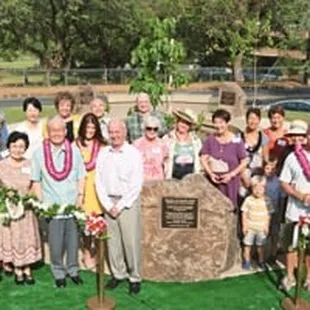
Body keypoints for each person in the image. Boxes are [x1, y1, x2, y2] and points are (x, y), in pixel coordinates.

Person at [32, 116, 86, 288]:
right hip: (52, 207)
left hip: (72, 205)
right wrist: (41, 204)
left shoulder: (74, 151)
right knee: (55, 244)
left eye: (60, 130)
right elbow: (36, 180)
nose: (56, 133)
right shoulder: (39, 153)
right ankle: (58, 271)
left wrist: (80, 197)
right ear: (48, 132)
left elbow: (81, 176)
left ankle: (73, 270)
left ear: (65, 132)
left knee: (73, 241)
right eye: (53, 130)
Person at [95, 119, 143, 295]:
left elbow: (136, 184)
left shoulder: (133, 153)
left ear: (124, 132)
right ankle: (118, 274)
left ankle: (135, 277)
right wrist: (108, 205)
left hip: (127, 202)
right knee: (112, 242)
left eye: (117, 132)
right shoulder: (103, 153)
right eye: (111, 132)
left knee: (130, 242)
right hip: (109, 202)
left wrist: (120, 205)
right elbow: (98, 180)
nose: (114, 135)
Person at [0, 131, 42, 284]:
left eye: (21, 146)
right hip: (9, 210)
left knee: (26, 237)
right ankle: (17, 268)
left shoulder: (30, 164)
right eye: (14, 146)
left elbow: (35, 184)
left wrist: (30, 197)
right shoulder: (2, 165)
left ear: (26, 148)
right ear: (9, 146)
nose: (18, 149)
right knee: (14, 238)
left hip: (26, 208)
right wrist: (5, 195)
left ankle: (27, 268)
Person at [279, 125, 310, 292]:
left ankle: (309, 278)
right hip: (295, 211)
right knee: (291, 245)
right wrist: (301, 196)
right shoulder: (293, 157)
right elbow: (283, 182)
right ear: (307, 136)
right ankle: (290, 276)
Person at [76, 113, 106, 269]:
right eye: (88, 127)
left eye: (93, 127)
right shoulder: (76, 144)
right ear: (83, 127)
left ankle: (99, 253)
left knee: (99, 223)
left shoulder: (101, 145)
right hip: (82, 188)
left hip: (97, 189)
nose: (90, 130)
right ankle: (87, 252)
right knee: (85, 225)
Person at [200, 109, 247, 209]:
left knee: (230, 209)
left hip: (231, 182)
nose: (218, 126)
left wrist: (231, 174)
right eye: (216, 123)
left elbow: (244, 161)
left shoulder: (237, 140)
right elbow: (203, 158)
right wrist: (210, 173)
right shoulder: (210, 139)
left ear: (227, 123)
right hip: (214, 182)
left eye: (221, 122)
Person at [241, 175, 273, 270]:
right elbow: (244, 213)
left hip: (261, 228)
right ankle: (247, 261)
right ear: (251, 188)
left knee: (261, 246)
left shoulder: (267, 200)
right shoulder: (248, 200)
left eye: (261, 188)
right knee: (247, 245)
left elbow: (269, 214)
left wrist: (267, 226)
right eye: (255, 188)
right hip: (250, 227)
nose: (258, 190)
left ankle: (261, 261)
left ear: (265, 188)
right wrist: (244, 226)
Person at [163, 109, 202, 180]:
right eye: (182, 122)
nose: (183, 125)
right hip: (171, 178)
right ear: (177, 122)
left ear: (190, 126)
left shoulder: (196, 140)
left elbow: (199, 159)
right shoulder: (167, 138)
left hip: (191, 179)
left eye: (187, 123)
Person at [240, 108, 269, 197]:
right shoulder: (239, 137)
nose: (253, 121)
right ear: (246, 120)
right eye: (250, 118)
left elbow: (265, 158)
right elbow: (235, 158)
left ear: (259, 120)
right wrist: (243, 176)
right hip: (242, 174)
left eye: (255, 118)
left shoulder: (263, 137)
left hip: (258, 176)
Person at [133, 116, 168, 181]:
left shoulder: (162, 144)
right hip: (141, 182)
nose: (152, 131)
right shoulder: (136, 144)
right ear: (144, 128)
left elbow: (166, 164)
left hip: (158, 182)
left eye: (155, 129)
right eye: (149, 128)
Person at [264, 159, 283, 263]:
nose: (270, 171)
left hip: (275, 212)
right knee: (263, 233)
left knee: (274, 234)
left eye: (272, 169)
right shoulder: (261, 180)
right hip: (263, 212)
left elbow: (282, 198)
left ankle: (273, 254)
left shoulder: (279, 182)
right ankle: (261, 253)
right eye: (267, 168)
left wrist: (281, 214)